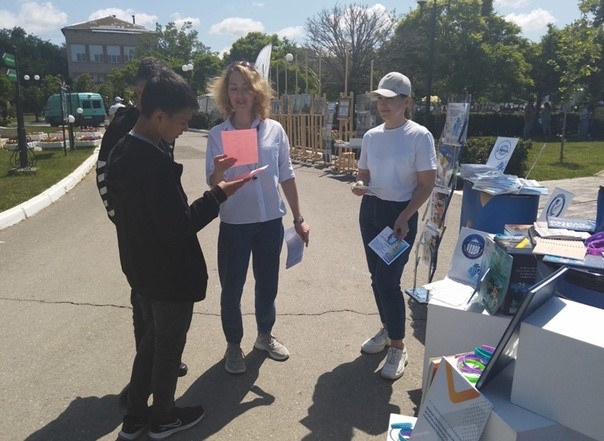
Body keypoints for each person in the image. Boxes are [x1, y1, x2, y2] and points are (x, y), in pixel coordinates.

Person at [106, 70, 248, 440]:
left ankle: (135, 418)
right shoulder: (150, 163)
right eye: (182, 122)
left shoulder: (123, 149)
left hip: (141, 270)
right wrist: (219, 194)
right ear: (158, 116)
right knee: (168, 348)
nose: (185, 129)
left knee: (151, 345)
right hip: (168, 276)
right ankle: (163, 418)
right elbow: (179, 226)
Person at [205, 60, 310, 375]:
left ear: (257, 92)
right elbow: (213, 183)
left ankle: (264, 335)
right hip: (235, 223)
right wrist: (219, 171)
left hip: (269, 223)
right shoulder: (218, 134)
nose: (240, 95)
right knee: (232, 289)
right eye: (233, 88)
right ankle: (233, 344)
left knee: (267, 284)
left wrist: (298, 218)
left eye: (246, 88)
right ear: (226, 94)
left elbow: (286, 174)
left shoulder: (273, 129)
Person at [96, 57, 188, 405]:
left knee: (155, 304)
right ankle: (146, 373)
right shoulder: (126, 125)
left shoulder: (160, 124)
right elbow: (104, 175)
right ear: (139, 91)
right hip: (138, 232)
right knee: (144, 305)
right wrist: (123, 220)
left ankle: (161, 362)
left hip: (157, 228)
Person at [351, 72, 436, 380]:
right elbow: (364, 173)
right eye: (380, 99)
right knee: (377, 278)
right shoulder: (372, 137)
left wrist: (406, 215)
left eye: (390, 99)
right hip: (371, 211)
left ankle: (398, 346)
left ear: (406, 101)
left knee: (388, 281)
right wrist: (360, 184)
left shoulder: (419, 136)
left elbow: (426, 184)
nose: (383, 104)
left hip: (400, 216)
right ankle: (388, 329)